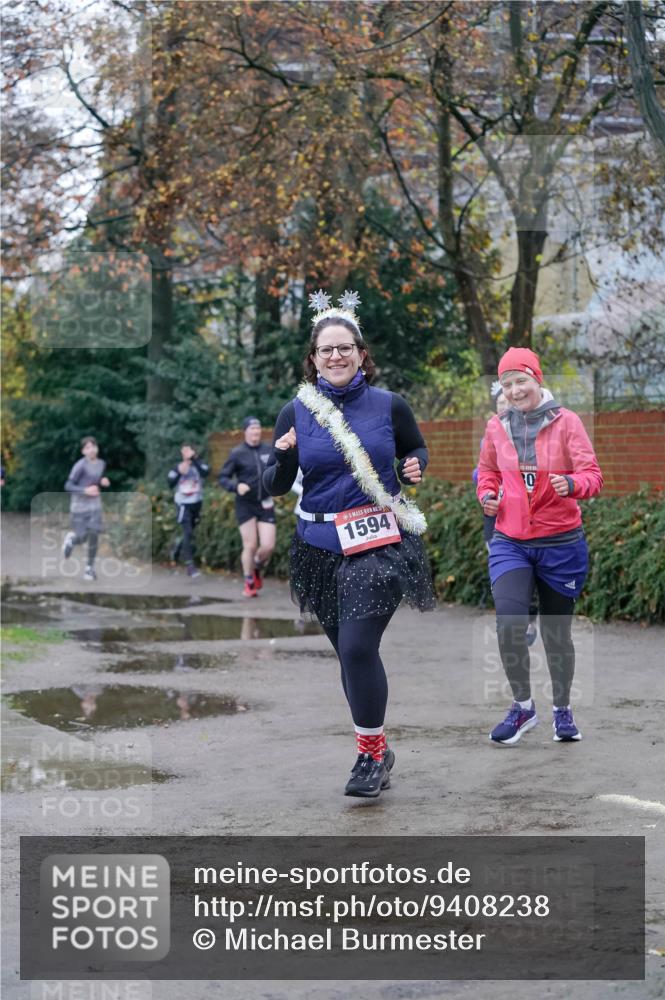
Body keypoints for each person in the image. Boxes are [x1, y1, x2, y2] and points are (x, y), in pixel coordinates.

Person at [263, 289, 435, 799]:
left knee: (359, 648)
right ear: (312, 359)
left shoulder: (389, 405)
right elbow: (274, 485)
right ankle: (378, 745)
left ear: (361, 353)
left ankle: (367, 757)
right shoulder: (295, 412)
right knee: (349, 655)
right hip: (318, 546)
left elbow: (416, 446)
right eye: (325, 350)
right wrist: (282, 455)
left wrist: (415, 465)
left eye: (345, 348)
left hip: (378, 540)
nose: (335, 357)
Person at [477, 347, 603, 745]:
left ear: (537, 379)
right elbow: (488, 470)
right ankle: (523, 707)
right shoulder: (497, 426)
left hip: (561, 543)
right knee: (509, 621)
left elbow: (593, 475)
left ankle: (562, 710)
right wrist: (488, 494)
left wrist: (573, 484)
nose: (515, 390)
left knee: (556, 633)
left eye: (521, 381)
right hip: (511, 540)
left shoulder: (568, 423)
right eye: (508, 383)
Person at [474, 382, 538, 644]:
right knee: (505, 566)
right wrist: (486, 486)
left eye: (507, 404)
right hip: (495, 514)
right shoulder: (491, 434)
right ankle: (513, 615)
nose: (503, 408)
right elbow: (482, 472)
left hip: (528, 515)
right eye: (498, 404)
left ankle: (528, 617)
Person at [218, 416, 275, 597]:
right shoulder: (237, 453)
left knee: (268, 546)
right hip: (245, 503)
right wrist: (236, 486)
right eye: (252, 430)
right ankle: (249, 581)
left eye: (258, 429)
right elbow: (223, 478)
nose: (255, 433)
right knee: (250, 546)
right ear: (246, 432)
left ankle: (257, 566)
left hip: (265, 501)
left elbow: (279, 470)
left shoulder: (268, 449)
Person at [62, 436, 110, 581]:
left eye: (94, 446)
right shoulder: (80, 465)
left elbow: (95, 480)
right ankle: (71, 540)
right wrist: (85, 490)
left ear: (97, 448)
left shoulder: (101, 463)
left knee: (94, 535)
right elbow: (68, 486)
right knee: (82, 537)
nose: (92, 450)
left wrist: (102, 481)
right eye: (88, 447)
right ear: (83, 451)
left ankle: (89, 569)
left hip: (95, 505)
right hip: (79, 507)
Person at [167, 443, 210, 578]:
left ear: (193, 452)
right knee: (188, 531)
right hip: (183, 504)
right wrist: (180, 472)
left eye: (188, 451)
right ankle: (190, 566)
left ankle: (177, 549)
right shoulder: (178, 467)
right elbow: (170, 483)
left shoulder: (198, 465)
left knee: (190, 533)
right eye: (183, 451)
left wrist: (195, 460)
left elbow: (206, 472)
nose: (186, 454)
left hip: (196, 504)